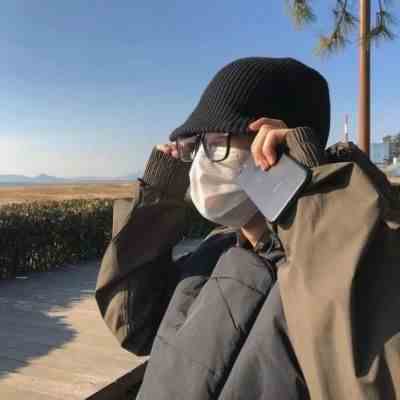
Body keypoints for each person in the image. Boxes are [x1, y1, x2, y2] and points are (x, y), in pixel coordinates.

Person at [96, 57, 400, 400]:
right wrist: (157, 198)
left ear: (278, 143)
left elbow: (365, 380)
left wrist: (313, 193)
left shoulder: (348, 267)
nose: (200, 162)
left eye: (216, 141)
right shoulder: (217, 250)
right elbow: (132, 325)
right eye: (194, 146)